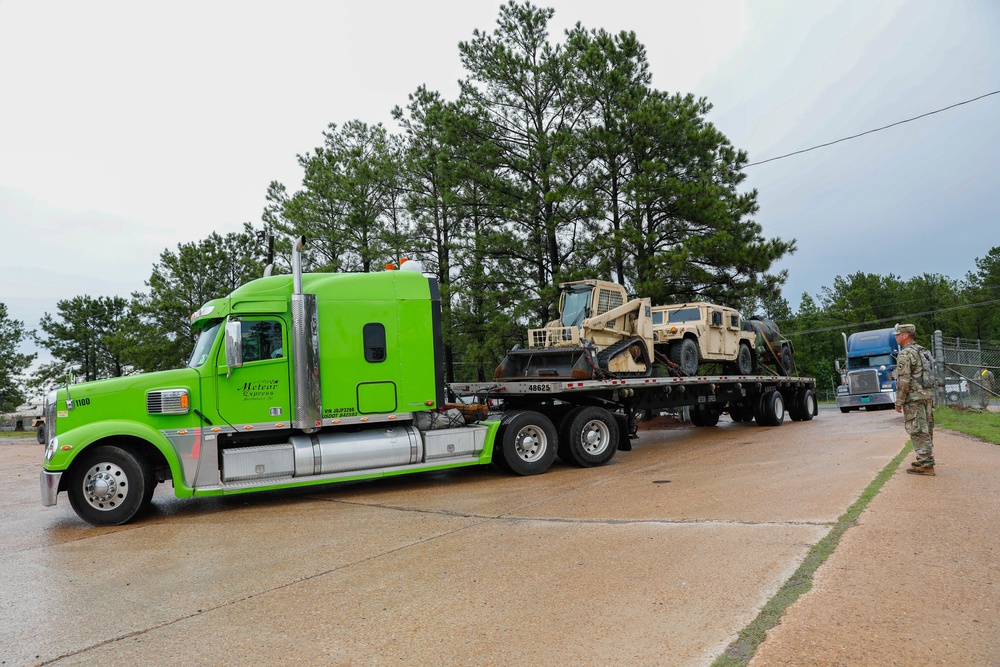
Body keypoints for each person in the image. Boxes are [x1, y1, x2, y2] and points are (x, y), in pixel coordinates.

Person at [893, 323, 935, 475]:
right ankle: (924, 457)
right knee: (927, 428)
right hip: (927, 395)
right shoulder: (923, 351)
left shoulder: (905, 353)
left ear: (905, 335)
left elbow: (903, 380)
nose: (896, 337)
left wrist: (899, 402)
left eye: (898, 334)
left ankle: (926, 464)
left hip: (914, 398)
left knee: (917, 429)